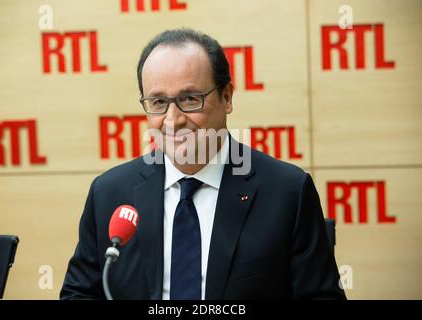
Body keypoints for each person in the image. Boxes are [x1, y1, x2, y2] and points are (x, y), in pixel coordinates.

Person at [60, 28, 346, 300]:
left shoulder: (287, 192)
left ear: (227, 97)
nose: (173, 120)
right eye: (158, 102)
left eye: (190, 99)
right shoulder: (109, 193)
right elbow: (79, 293)